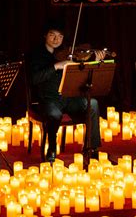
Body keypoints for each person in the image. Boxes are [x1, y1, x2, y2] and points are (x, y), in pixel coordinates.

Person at [27, 20, 105, 162]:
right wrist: (56, 66)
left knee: (92, 103)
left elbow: (83, 72)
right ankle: (51, 146)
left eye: (60, 36)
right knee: (54, 113)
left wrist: (97, 61)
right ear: (45, 36)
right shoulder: (36, 55)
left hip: (69, 98)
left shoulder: (67, 53)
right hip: (48, 99)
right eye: (52, 35)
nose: (56, 39)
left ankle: (92, 148)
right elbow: (34, 79)